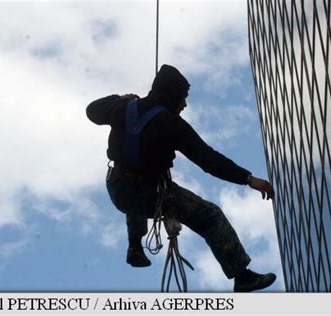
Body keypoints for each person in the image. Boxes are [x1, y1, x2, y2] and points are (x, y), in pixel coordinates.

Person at [86, 64, 276, 292]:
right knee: (211, 216)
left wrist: (118, 98)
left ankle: (135, 246)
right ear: (171, 95)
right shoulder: (172, 125)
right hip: (149, 194)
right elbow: (209, 160)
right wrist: (247, 178)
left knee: (135, 185)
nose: (184, 105)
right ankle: (242, 276)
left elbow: (91, 110)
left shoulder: (123, 108)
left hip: (117, 187)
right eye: (183, 98)